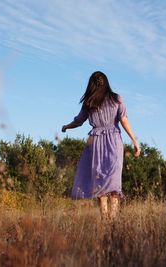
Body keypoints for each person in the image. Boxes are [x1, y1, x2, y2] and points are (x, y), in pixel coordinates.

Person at [62, 71, 140, 221]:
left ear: (91, 84)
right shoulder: (116, 99)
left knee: (100, 182)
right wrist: (135, 141)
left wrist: (66, 126)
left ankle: (106, 220)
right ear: (106, 83)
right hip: (114, 141)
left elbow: (78, 121)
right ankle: (112, 219)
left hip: (96, 143)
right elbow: (124, 120)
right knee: (113, 181)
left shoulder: (89, 102)